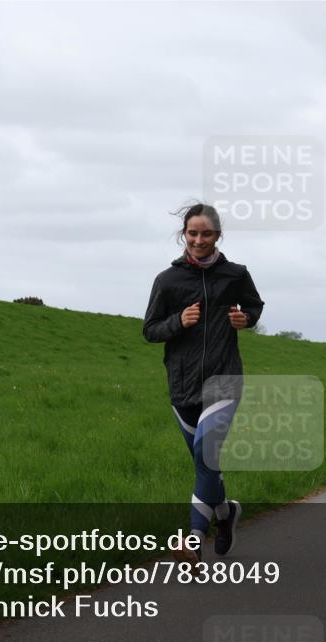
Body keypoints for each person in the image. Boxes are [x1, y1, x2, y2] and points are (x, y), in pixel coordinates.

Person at [143, 202, 265, 567]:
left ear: (218, 236)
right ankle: (226, 514)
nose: (199, 240)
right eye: (193, 233)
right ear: (184, 234)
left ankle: (193, 542)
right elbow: (150, 330)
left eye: (206, 234)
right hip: (182, 386)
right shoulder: (167, 281)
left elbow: (254, 306)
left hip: (224, 379)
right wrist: (179, 321)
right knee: (205, 465)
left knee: (205, 454)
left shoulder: (235, 274)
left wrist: (246, 319)